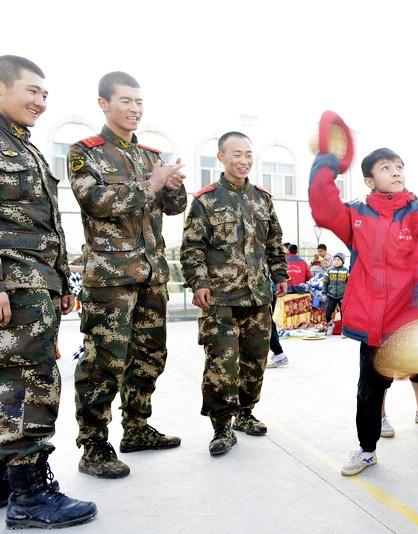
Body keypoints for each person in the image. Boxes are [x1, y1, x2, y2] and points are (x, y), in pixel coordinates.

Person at [309, 147, 418, 495]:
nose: (396, 172)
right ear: (369, 179)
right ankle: (367, 451)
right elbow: (322, 207)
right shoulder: (356, 215)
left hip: (414, 322)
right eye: (385, 168)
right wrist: (327, 160)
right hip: (374, 325)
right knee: (368, 392)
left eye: (399, 166)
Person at [68, 71, 186, 479]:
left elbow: (172, 208)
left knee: (149, 357)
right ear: (104, 104)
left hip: (152, 275)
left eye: (139, 102)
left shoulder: (151, 154)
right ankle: (94, 445)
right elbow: (96, 201)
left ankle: (137, 428)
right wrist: (150, 184)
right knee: (104, 362)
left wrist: (171, 185)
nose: (135, 109)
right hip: (111, 277)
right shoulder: (85, 152)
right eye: (125, 101)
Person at [0, 54, 97, 529]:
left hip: (36, 283)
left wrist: (59, 280)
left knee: (14, 383)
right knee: (29, 385)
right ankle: (31, 497)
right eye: (31, 91)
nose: (39, 101)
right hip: (12, 285)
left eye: (44, 94)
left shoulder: (24, 146)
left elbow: (46, 224)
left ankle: (7, 480)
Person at [181, 131, 288, 456]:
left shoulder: (262, 198)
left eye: (248, 155)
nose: (243, 161)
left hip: (257, 298)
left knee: (254, 362)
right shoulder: (206, 200)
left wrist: (280, 274)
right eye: (236, 154)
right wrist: (199, 282)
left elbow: (274, 242)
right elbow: (192, 248)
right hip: (221, 301)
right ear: (222, 157)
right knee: (221, 365)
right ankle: (221, 427)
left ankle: (245, 413)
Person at [323, 252, 348, 332]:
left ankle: (345, 330)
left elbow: (349, 285)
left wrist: (347, 296)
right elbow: (325, 283)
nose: (336, 261)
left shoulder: (346, 271)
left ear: (342, 261)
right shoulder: (329, 271)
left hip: (342, 296)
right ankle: (330, 325)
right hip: (331, 295)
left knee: (344, 314)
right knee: (328, 313)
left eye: (339, 260)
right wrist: (324, 294)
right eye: (335, 259)